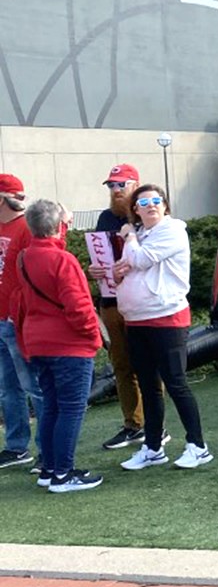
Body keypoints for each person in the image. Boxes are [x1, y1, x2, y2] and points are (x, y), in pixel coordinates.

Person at [114, 185, 212, 471]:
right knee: (148, 385)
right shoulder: (141, 235)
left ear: (165, 206)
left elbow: (142, 259)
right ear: (136, 209)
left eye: (157, 201)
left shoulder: (171, 231)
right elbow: (129, 267)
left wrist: (129, 237)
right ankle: (153, 447)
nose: (151, 205)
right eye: (144, 202)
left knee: (176, 382)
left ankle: (198, 445)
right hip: (137, 319)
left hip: (166, 317)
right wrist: (115, 272)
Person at [13, 200, 104, 492]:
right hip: (68, 345)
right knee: (71, 408)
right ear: (59, 226)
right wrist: (94, 337)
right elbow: (79, 307)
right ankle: (63, 474)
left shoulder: (25, 258)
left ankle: (50, 468)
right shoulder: (63, 261)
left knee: (51, 406)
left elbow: (25, 300)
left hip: (38, 341)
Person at [90, 164, 153, 450]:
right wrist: (95, 268)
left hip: (141, 301)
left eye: (121, 185)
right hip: (112, 301)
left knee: (147, 364)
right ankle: (133, 424)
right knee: (121, 364)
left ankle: (154, 424)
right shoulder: (105, 217)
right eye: (111, 186)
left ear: (135, 185)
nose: (115, 191)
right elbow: (99, 255)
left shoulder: (148, 215)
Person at [0, 173, 48, 471]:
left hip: (18, 320)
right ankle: (17, 446)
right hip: (1, 319)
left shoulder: (27, 228)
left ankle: (47, 449)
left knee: (35, 387)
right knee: (8, 388)